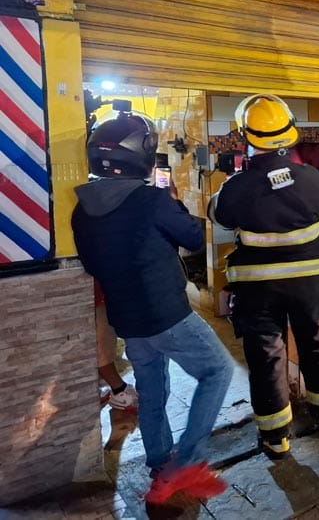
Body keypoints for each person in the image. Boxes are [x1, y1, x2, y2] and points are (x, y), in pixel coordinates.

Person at [72, 106, 233, 505]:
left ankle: (161, 471)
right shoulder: (152, 200)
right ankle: (188, 462)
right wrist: (174, 201)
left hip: (128, 322)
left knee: (153, 392)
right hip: (168, 315)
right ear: (140, 154)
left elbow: (92, 265)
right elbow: (193, 239)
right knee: (219, 370)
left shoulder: (81, 210)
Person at [211, 94, 319, 459]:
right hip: (309, 283)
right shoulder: (312, 178)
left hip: (258, 288)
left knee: (267, 356)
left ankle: (276, 437)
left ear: (245, 136)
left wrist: (234, 181)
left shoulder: (237, 186)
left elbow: (219, 215)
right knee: (318, 342)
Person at [95, 280, 138, 413]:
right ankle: (119, 391)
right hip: (95, 295)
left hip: (98, 292)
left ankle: (109, 389)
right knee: (103, 345)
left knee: (103, 343)